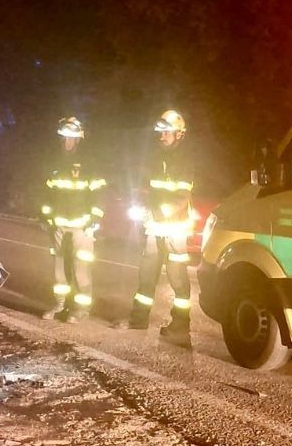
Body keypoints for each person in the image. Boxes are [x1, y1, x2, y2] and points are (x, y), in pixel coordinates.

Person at [120, 109, 195, 345]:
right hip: (154, 226)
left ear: (179, 135)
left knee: (178, 279)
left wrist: (158, 212)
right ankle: (138, 319)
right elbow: (148, 189)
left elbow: (182, 195)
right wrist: (142, 205)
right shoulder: (156, 158)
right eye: (160, 133)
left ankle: (181, 326)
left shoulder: (186, 160)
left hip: (175, 229)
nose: (162, 137)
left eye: (166, 133)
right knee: (146, 275)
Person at [41, 116, 106, 322]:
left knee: (81, 270)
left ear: (78, 140)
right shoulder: (55, 162)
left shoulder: (90, 162)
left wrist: (95, 218)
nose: (66, 142)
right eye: (64, 138)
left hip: (82, 226)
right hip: (59, 225)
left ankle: (80, 309)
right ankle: (60, 305)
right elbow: (47, 193)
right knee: (59, 269)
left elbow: (99, 194)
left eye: (71, 139)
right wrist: (46, 216)